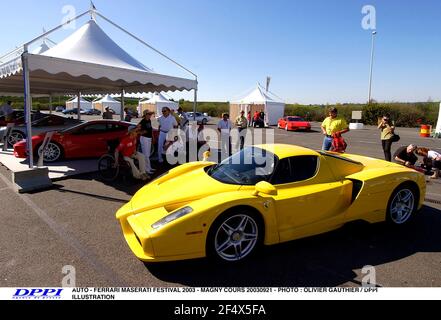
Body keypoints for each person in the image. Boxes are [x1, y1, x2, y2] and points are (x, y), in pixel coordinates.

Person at [138, 110, 155, 174]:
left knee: (147, 154)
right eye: (148, 114)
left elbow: (151, 130)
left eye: (150, 114)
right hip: (144, 138)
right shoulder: (143, 121)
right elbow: (137, 129)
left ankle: (149, 168)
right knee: (146, 155)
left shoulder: (149, 120)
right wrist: (142, 132)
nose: (150, 115)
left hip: (148, 138)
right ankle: (147, 169)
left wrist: (152, 137)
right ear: (145, 114)